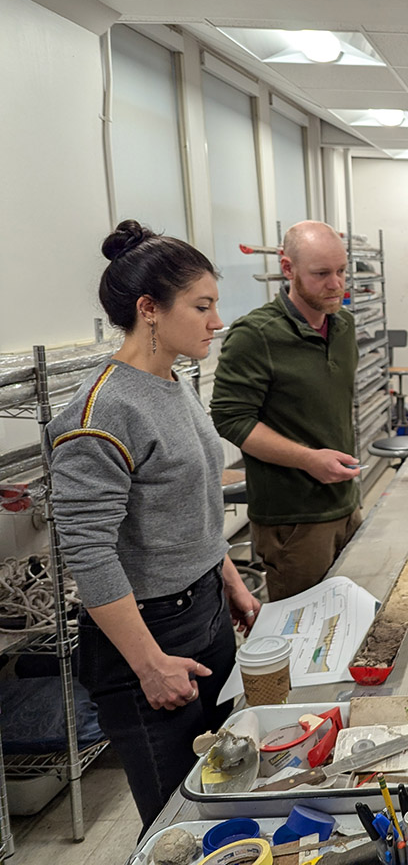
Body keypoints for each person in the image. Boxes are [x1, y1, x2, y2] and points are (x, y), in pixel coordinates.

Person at [47, 220, 261, 830]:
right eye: (202, 306)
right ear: (150, 310)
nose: (216, 322)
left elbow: (188, 505)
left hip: (206, 614)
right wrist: (148, 664)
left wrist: (229, 581)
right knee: (179, 819)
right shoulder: (102, 410)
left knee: (226, 793)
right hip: (149, 635)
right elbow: (87, 552)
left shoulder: (173, 382)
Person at [211, 221, 362, 601]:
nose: (335, 284)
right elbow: (230, 418)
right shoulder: (255, 335)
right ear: (288, 268)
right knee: (304, 637)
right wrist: (308, 459)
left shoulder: (344, 327)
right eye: (321, 274)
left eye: (341, 271)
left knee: (352, 626)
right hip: (293, 521)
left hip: (346, 503)